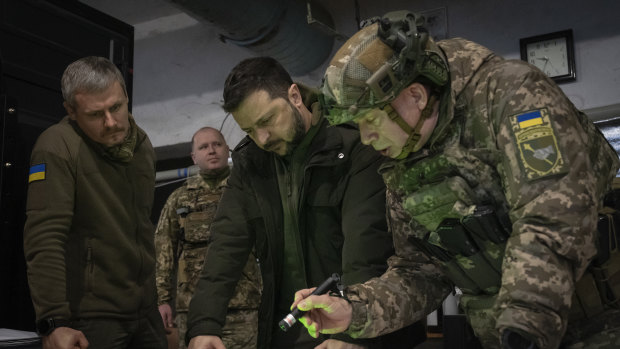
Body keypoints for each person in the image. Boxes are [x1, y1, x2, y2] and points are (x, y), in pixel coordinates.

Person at [291, 10, 620, 349]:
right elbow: (421, 271)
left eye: (370, 121)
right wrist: (353, 310)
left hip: (596, 325)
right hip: (506, 336)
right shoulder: (405, 156)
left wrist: (524, 326)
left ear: (416, 96)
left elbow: (552, 215)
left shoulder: (511, 95)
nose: (365, 138)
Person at [185, 57, 426, 349]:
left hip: (362, 331)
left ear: (295, 96)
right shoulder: (252, 163)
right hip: (287, 333)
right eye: (249, 130)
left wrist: (350, 333)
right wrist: (204, 325)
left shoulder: (352, 144)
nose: (262, 138)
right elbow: (226, 244)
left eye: (267, 121)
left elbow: (366, 245)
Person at [23, 56, 166, 349]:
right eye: (95, 114)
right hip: (91, 317)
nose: (111, 122)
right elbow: (44, 237)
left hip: (145, 312)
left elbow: (141, 228)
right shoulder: (57, 146)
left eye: (116, 107)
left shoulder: (143, 146)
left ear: (126, 97)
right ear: (71, 112)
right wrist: (54, 321)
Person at [155, 126, 262, 349]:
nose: (211, 150)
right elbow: (163, 250)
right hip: (193, 307)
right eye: (203, 147)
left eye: (217, 144)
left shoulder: (249, 192)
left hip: (242, 305)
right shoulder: (179, 199)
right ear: (194, 157)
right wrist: (162, 300)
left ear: (227, 149)